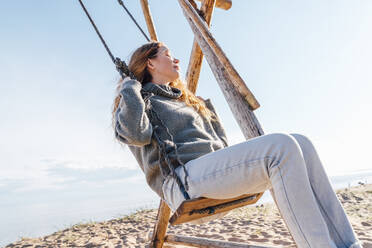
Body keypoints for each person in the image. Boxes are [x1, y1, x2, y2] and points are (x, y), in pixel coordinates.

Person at [111, 41, 362, 248]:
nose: (176, 60)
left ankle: (349, 244)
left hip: (209, 177)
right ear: (150, 62)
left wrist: (204, 110)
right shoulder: (137, 101)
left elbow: (219, 146)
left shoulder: (184, 100)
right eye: (168, 54)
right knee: (281, 146)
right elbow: (138, 136)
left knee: (302, 143)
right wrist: (130, 89)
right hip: (184, 183)